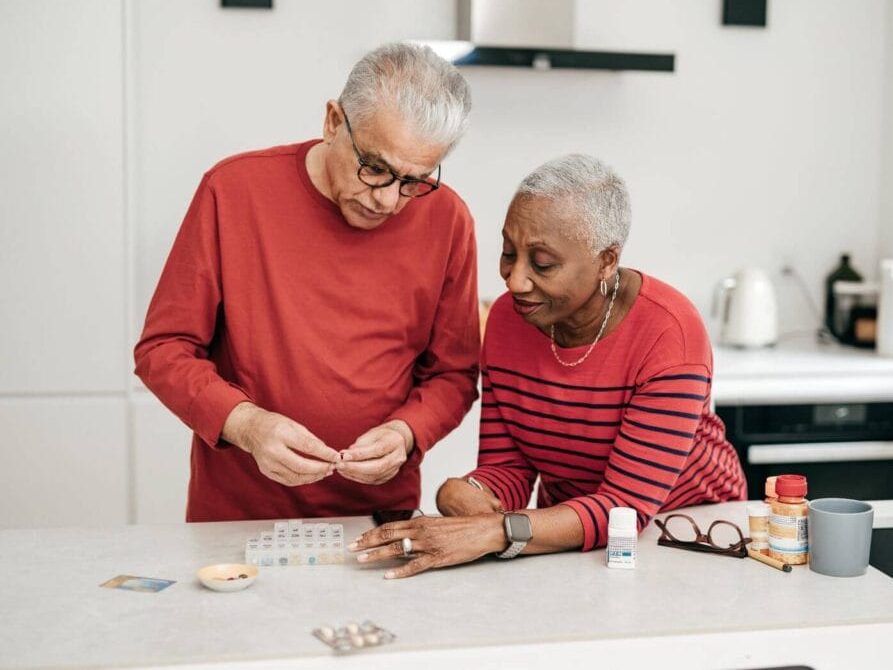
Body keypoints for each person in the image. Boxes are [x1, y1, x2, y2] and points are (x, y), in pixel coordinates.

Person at [349, 154, 747, 578]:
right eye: (508, 252)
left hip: (696, 536)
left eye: (542, 264)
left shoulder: (669, 335)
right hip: (574, 540)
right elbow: (511, 468)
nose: (515, 280)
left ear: (606, 261)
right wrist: (463, 493)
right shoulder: (508, 319)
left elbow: (624, 508)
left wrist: (495, 532)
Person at [134, 43, 480, 521]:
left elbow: (453, 374)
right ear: (334, 122)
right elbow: (163, 350)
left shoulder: (448, 220)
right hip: (240, 518)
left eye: (413, 181)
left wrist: (407, 431)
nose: (387, 200)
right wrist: (248, 425)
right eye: (375, 168)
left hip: (378, 517)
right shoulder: (233, 191)